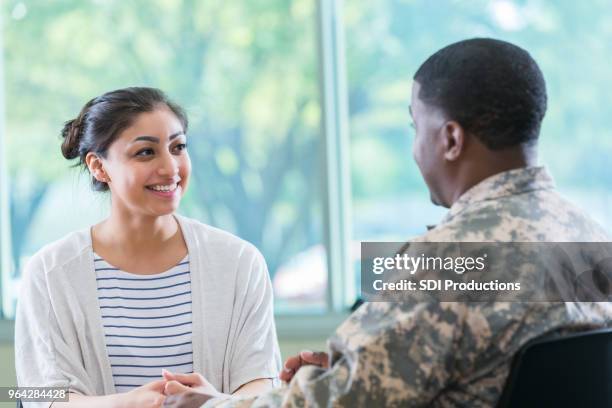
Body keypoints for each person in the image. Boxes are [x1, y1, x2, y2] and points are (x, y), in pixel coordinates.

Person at [160, 38, 612, 407]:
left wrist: (211, 405)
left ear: (451, 139)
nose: (416, 149)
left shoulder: (449, 263)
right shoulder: (593, 241)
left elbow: (336, 406)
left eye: (416, 128)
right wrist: (355, 365)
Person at [15, 87, 281, 408]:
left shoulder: (240, 262)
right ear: (99, 166)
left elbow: (262, 381)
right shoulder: (48, 272)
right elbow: (34, 396)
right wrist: (125, 403)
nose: (171, 168)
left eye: (178, 147)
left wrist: (218, 403)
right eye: (145, 152)